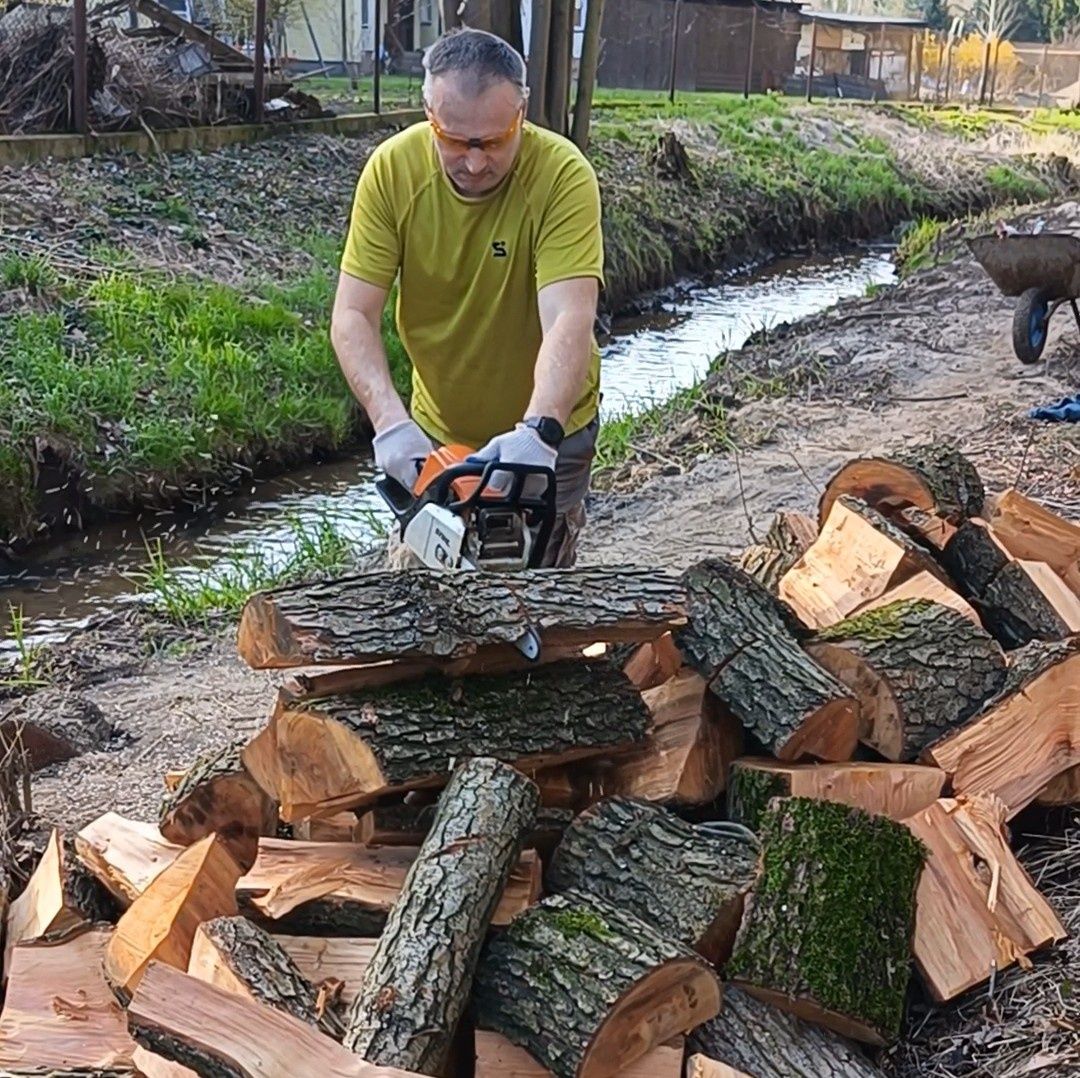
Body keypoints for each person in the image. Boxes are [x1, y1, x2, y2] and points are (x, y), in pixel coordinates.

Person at [330, 27, 604, 567]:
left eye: (495, 141)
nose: (475, 162)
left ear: (521, 113)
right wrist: (390, 422)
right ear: (429, 113)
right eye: (455, 141)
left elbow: (570, 316)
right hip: (436, 434)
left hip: (552, 433)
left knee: (532, 595)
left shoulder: (562, 176)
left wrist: (541, 428)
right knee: (426, 591)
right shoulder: (392, 173)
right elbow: (353, 314)